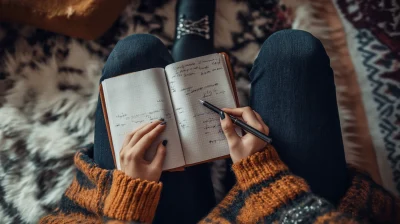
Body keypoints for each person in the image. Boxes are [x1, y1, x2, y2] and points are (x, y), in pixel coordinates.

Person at [40, 1, 399, 223]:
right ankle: (196, 63)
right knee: (293, 52)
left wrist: (130, 201)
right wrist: (258, 173)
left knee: (135, 57)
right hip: (287, 210)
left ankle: (192, 58)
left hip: (130, 216)